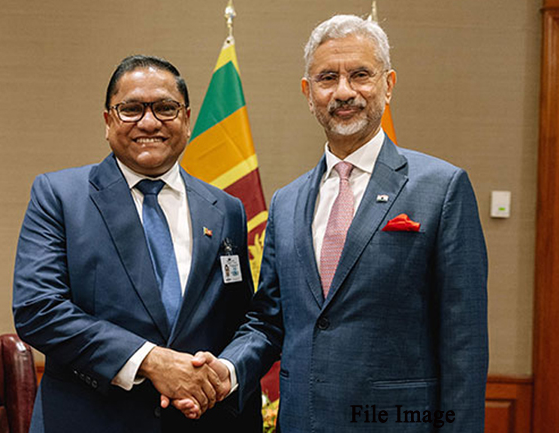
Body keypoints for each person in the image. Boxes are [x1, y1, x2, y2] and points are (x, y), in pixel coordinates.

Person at [176, 14, 489, 432]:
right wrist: (227, 370)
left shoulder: (442, 188)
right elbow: (269, 320)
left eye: (360, 75)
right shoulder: (287, 202)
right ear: (309, 93)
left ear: (388, 84)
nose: (344, 91)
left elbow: (464, 343)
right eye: (327, 78)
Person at [12, 55, 261, 433]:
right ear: (108, 120)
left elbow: (243, 319)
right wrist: (151, 361)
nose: (149, 122)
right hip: (92, 421)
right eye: (131, 109)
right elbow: (38, 309)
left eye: (165, 108)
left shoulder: (226, 209)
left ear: (186, 119)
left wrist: (225, 371)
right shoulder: (60, 196)